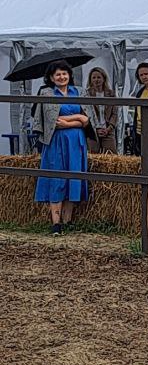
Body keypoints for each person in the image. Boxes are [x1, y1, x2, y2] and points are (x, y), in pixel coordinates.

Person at [33, 62, 93, 235]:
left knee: (73, 177)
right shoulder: (46, 93)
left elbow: (88, 121)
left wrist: (71, 119)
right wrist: (78, 118)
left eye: (64, 74)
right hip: (56, 142)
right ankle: (56, 223)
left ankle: (67, 221)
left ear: (69, 75)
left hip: (76, 142)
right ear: (51, 78)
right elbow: (53, 124)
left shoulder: (80, 92)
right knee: (56, 178)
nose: (62, 77)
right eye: (58, 75)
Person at [83, 67, 118, 153]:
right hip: (92, 130)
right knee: (93, 155)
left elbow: (115, 114)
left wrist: (109, 128)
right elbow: (85, 113)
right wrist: (94, 129)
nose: (96, 80)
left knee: (111, 156)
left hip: (108, 130)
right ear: (90, 80)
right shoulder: (86, 94)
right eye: (94, 78)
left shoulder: (111, 94)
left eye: (99, 77)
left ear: (103, 78)